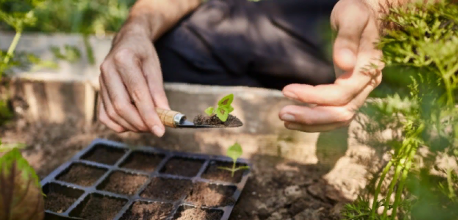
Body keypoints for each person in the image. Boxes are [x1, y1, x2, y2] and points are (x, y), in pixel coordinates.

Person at [98, 0, 404, 137]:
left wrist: (378, 10)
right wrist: (135, 31)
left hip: (377, 27)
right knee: (172, 47)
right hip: (283, 16)